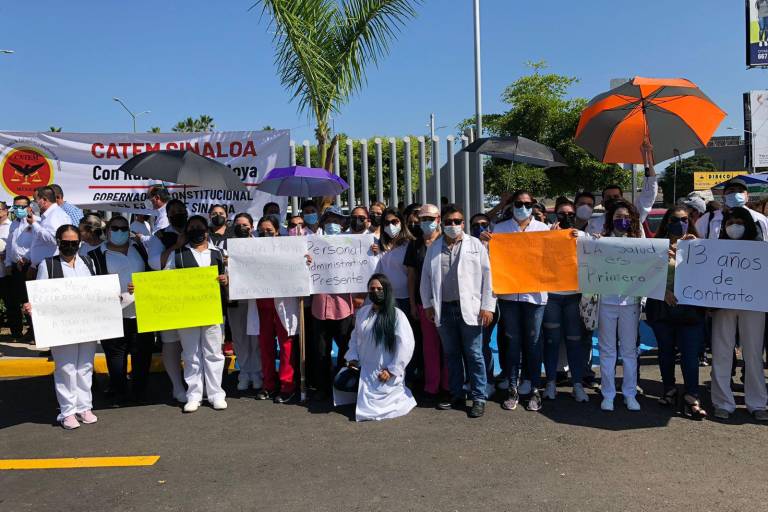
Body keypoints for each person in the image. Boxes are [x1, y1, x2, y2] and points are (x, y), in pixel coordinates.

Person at [421, 204, 495, 418]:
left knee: (474, 354)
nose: (452, 225)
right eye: (448, 222)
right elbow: (426, 278)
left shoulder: (475, 245)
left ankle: (479, 396)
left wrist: (487, 306)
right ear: (441, 224)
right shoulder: (434, 247)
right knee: (451, 354)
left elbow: (488, 277)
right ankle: (456, 393)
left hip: (470, 308)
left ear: (463, 224)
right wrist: (427, 304)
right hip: (444, 308)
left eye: (456, 222)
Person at [24, 225, 98, 429]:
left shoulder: (87, 261)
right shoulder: (48, 265)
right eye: (66, 242)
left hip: (87, 323)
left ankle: (85, 406)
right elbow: (40, 294)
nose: (70, 246)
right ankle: (68, 411)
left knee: (85, 366)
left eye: (74, 243)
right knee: (66, 368)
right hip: (61, 326)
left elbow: (97, 290)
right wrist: (33, 306)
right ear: (58, 242)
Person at [483, 190, 549, 411]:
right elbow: (489, 260)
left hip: (536, 295)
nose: (523, 207)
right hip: (509, 295)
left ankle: (534, 388)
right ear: (511, 205)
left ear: (533, 205)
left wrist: (568, 239)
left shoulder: (544, 229)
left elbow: (554, 258)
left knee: (533, 341)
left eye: (527, 204)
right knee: (511, 341)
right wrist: (485, 242)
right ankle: (512, 386)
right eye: (519, 203)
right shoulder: (500, 229)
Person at [645, 206, 707, 418]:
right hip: (662, 309)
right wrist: (662, 291)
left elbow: (708, 278)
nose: (680, 223)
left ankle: (692, 394)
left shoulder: (701, 246)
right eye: (674, 219)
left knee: (690, 355)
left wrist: (694, 250)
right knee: (666, 352)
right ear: (666, 221)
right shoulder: (654, 247)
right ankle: (669, 389)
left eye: (684, 219)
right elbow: (642, 276)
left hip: (691, 311)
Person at [165, 215, 229, 412]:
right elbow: (164, 280)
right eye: (192, 227)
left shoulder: (219, 253)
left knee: (213, 352)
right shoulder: (177, 255)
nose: (196, 230)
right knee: (191, 353)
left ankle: (216, 393)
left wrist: (226, 279)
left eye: (199, 227)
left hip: (212, 310)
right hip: (188, 312)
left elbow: (232, 276)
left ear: (207, 230)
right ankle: (194, 394)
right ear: (186, 231)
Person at [87, 215, 154, 403]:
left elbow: (152, 274)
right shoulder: (95, 256)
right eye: (115, 228)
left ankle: (140, 391)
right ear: (107, 230)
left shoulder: (139, 248)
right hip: (113, 314)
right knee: (116, 356)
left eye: (124, 228)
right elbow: (92, 286)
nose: (120, 232)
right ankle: (120, 390)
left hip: (142, 312)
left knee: (142, 355)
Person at [710, 207, 768, 421]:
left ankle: (757, 402)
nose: (734, 226)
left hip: (754, 305)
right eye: (730, 222)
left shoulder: (762, 250)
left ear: (749, 224)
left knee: (753, 355)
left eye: (740, 222)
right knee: (721, 352)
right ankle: (722, 402)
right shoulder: (714, 249)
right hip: (723, 305)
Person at [344, 274, 417, 421]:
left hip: (385, 371)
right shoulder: (362, 313)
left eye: (379, 288)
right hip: (365, 370)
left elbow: (406, 345)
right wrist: (352, 358)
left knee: (384, 407)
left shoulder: (397, 315)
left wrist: (392, 370)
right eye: (372, 289)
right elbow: (355, 338)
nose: (375, 291)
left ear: (387, 291)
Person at [598, 199, 643, 412]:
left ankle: (629, 393)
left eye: (626, 218)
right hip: (606, 302)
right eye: (618, 217)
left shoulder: (640, 244)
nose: (622, 221)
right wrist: (595, 245)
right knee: (607, 351)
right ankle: (607, 394)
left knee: (629, 352)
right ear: (611, 219)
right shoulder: (602, 241)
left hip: (630, 303)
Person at [542, 199, 589, 403]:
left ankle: (577, 384)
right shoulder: (547, 234)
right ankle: (550, 382)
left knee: (574, 341)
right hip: (552, 296)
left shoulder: (585, 236)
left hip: (575, 296)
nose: (566, 217)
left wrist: (588, 240)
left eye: (570, 214)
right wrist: (551, 238)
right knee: (551, 341)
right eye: (562, 214)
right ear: (555, 216)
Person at [310, 206, 358, 400]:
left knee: (345, 349)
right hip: (320, 306)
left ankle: (341, 385)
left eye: (337, 221)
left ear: (343, 224)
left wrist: (372, 251)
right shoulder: (312, 244)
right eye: (329, 221)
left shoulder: (353, 244)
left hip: (343, 306)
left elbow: (362, 267)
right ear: (322, 223)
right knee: (321, 351)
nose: (333, 225)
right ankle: (322, 387)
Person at [252, 216, 299, 403]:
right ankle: (269, 385)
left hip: (283, 303)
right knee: (265, 346)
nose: (266, 234)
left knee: (286, 345)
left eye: (270, 230)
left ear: (278, 231)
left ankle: (287, 386)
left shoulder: (287, 249)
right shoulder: (251, 250)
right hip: (261, 302)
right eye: (262, 231)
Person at [404, 203, 448, 404]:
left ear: (438, 219)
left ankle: (448, 385)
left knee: (449, 345)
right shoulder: (415, 245)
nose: (427, 222)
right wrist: (413, 304)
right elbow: (411, 276)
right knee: (429, 346)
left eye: (431, 219)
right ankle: (432, 386)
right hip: (424, 304)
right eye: (423, 219)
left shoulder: (448, 241)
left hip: (448, 302)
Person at [147, 198, 189, 402]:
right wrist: (176, 246)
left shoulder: (195, 231)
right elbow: (155, 263)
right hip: (169, 296)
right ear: (169, 215)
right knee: (171, 343)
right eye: (175, 211)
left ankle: (195, 384)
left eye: (182, 210)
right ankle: (177, 386)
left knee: (192, 344)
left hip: (193, 296)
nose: (179, 214)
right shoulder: (160, 236)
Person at [587, 140, 657, 236]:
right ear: (602, 202)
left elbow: (649, 193)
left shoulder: (635, 217)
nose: (612, 200)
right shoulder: (594, 225)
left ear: (622, 199)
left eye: (616, 196)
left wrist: (647, 157)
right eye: (608, 197)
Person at [227, 213, 263, 393]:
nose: (242, 228)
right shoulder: (226, 247)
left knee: (255, 336)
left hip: (256, 298)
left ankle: (257, 371)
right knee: (239, 336)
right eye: (238, 224)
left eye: (245, 225)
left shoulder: (260, 246)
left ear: (251, 226)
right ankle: (244, 372)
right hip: (236, 298)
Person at [695, 178, 768, 241]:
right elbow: (697, 245)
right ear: (723, 197)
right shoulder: (707, 219)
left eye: (740, 191)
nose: (736, 194)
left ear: (747, 197)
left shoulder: (761, 220)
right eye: (731, 191)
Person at [4, 196, 34, 339]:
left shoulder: (35, 222)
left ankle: (35, 332)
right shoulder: (14, 224)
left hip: (30, 266)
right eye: (16, 207)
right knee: (22, 299)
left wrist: (28, 258)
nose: (18, 209)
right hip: (16, 267)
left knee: (32, 300)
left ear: (29, 207)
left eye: (22, 207)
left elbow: (37, 245)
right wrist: (9, 263)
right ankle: (30, 330)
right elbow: (11, 246)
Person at [28, 185, 72, 273]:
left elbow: (53, 239)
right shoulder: (49, 215)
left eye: (35, 200)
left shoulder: (55, 215)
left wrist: (34, 224)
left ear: (44, 200)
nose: (34, 203)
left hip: (51, 267)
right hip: (45, 266)